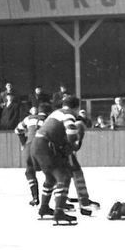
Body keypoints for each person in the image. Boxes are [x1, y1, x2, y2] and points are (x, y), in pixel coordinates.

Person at [30, 95, 82, 225]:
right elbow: (71, 131)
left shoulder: (55, 113)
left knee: (51, 178)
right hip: (46, 146)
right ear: (76, 107)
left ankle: (44, 208)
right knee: (63, 177)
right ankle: (59, 212)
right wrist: (74, 143)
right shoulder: (68, 114)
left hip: (36, 144)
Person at [15, 105, 48, 205]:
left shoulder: (29, 118)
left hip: (29, 146)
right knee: (52, 173)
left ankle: (35, 198)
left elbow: (17, 130)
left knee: (29, 172)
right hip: (42, 146)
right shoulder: (49, 120)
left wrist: (23, 142)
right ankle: (59, 198)